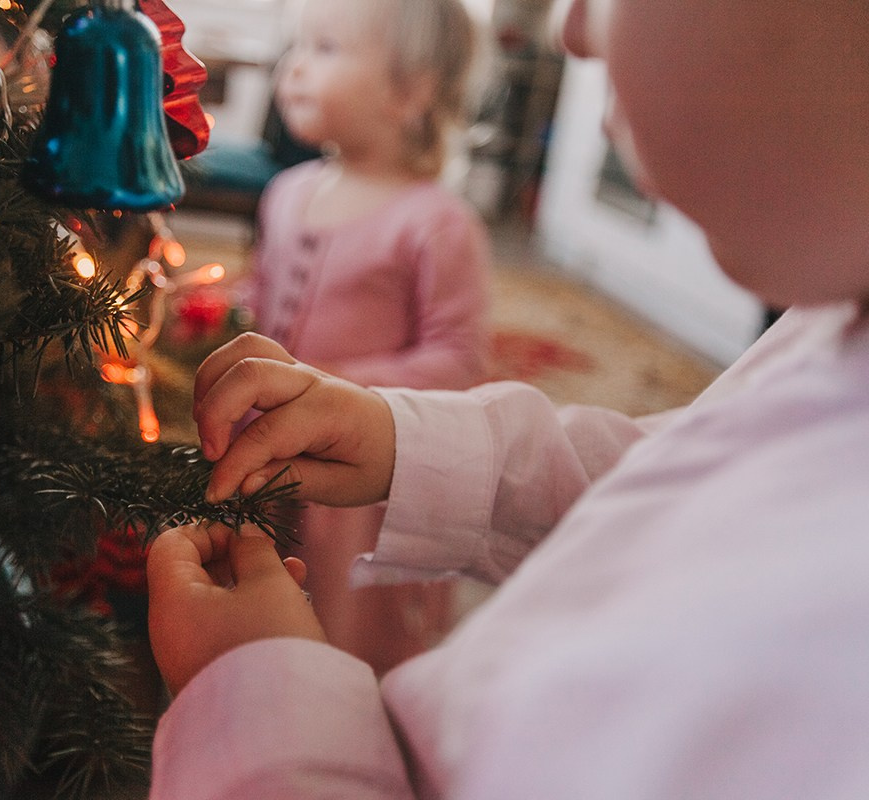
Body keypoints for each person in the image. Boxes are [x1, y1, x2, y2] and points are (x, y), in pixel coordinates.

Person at [144, 0, 869, 796]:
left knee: (350, 618)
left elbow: (457, 353)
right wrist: (400, 439)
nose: (570, 31)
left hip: (348, 552)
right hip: (308, 472)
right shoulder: (830, 330)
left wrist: (255, 691)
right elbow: (675, 475)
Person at [235, 0, 494, 673]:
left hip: (360, 485)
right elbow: (261, 303)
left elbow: (456, 358)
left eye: (325, 48)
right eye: (296, 47)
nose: (293, 68)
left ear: (410, 90)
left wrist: (334, 383)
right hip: (269, 450)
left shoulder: (436, 224)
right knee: (262, 603)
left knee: (347, 637)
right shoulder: (286, 193)